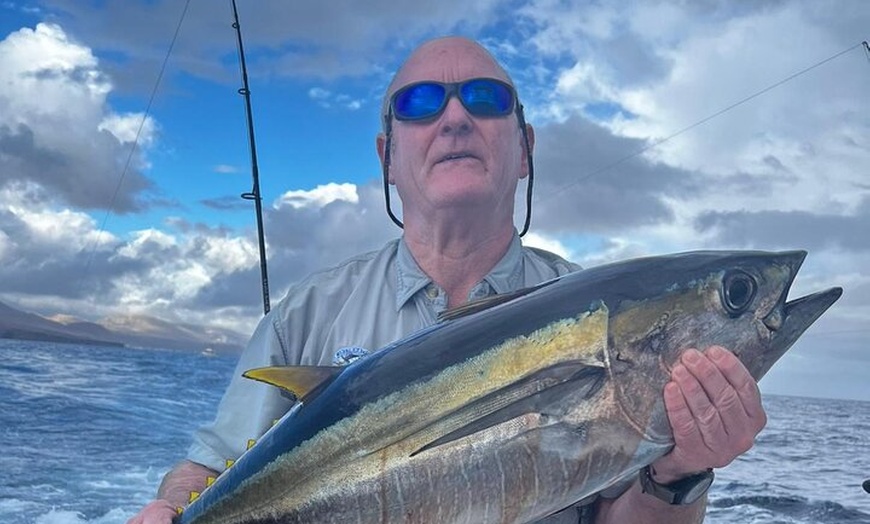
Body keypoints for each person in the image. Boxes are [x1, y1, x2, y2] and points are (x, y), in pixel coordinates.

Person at [128, 36, 767, 524]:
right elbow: (206, 469)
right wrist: (173, 509)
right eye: (420, 103)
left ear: (525, 150)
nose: (455, 118)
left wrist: (679, 473)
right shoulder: (308, 314)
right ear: (387, 157)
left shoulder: (588, 295)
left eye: (486, 100)